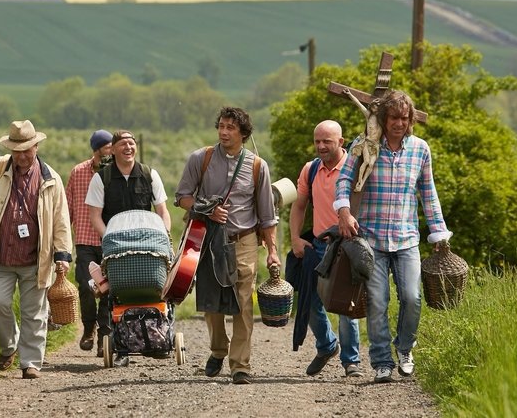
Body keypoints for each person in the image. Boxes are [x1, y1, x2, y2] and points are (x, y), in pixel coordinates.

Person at [334, 90, 452, 383]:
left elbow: (428, 192)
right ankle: (382, 362)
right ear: (384, 119)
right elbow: (344, 180)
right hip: (371, 240)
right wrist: (345, 212)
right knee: (377, 301)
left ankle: (405, 348)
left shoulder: (420, 149)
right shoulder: (365, 145)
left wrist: (438, 231)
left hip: (407, 238)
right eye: (394, 117)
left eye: (405, 118)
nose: (399, 123)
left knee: (412, 298)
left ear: (411, 120)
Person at [175, 106, 279, 385]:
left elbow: (268, 216)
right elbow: (182, 196)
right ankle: (218, 350)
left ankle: (240, 365)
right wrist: (206, 210)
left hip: (243, 240)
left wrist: (272, 252)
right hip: (208, 239)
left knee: (243, 302)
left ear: (243, 133)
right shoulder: (202, 158)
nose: (223, 132)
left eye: (231, 127)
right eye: (221, 126)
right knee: (212, 303)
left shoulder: (258, 166)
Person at [0, 119, 73, 380]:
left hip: (35, 258)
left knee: (34, 313)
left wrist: (62, 254)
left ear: (36, 146)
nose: (22, 156)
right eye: (17, 151)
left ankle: (31, 363)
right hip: (0, 256)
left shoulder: (51, 179)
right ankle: (9, 346)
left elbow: (61, 219)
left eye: (27, 150)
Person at [85, 129, 172, 365]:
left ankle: (159, 334)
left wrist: (164, 237)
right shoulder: (101, 178)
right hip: (116, 247)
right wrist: (109, 240)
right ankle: (121, 343)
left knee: (156, 288)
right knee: (116, 294)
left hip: (148, 246)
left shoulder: (149, 174)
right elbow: (95, 215)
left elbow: (162, 211)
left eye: (131, 143)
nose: (128, 147)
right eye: (122, 144)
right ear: (112, 149)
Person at [289, 120, 363, 378]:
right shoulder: (310, 170)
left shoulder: (356, 168)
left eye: (327, 142)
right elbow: (299, 206)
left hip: (348, 246)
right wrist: (296, 239)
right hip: (318, 245)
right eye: (317, 141)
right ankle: (326, 345)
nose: (320, 146)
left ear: (341, 142)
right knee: (308, 302)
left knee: (345, 303)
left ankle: (351, 361)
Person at [65, 129, 113, 353]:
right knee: (86, 286)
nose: (110, 152)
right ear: (96, 150)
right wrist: (62, 241)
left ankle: (105, 334)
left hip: (109, 240)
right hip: (84, 239)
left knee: (108, 288)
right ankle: (88, 328)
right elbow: (69, 208)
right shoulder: (78, 172)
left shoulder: (114, 172)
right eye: (107, 148)